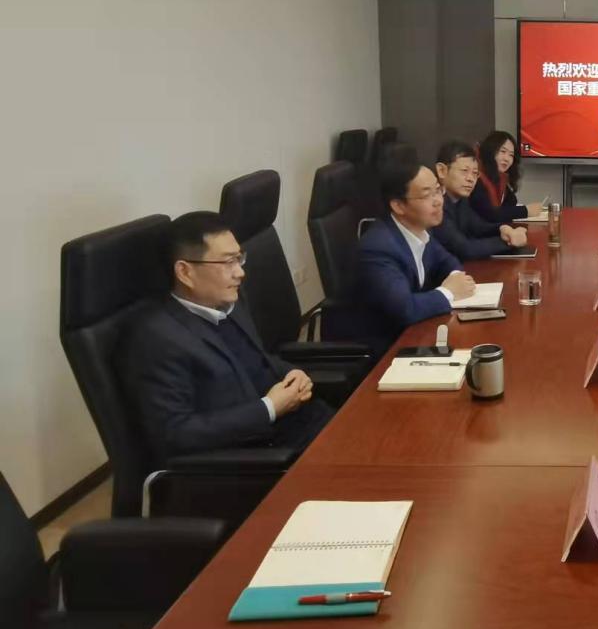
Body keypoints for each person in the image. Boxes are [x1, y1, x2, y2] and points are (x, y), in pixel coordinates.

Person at [120, 211, 332, 460]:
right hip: (265, 452)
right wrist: (269, 408)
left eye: (239, 258)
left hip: (304, 421)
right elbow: (175, 433)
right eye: (227, 262)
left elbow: (258, 361)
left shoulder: (227, 302)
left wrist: (292, 373)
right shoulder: (156, 338)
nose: (240, 272)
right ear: (185, 272)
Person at [350, 153, 477, 357]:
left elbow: (447, 260)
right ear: (398, 206)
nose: (438, 201)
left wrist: (456, 278)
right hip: (380, 350)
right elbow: (405, 310)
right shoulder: (379, 247)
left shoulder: (420, 228)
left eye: (438, 190)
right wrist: (449, 292)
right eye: (427, 195)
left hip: (413, 333)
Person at [432, 140, 528, 260]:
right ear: (442, 171)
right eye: (464, 171)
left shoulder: (460, 200)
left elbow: (479, 227)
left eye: (475, 173)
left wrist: (504, 229)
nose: (470, 179)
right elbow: (465, 249)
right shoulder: (434, 204)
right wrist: (510, 241)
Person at [470, 130, 545, 225]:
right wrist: (526, 210)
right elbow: (489, 214)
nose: (507, 159)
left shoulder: (501, 177)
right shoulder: (476, 176)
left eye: (511, 155)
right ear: (490, 151)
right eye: (503, 151)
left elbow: (510, 202)